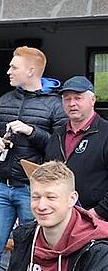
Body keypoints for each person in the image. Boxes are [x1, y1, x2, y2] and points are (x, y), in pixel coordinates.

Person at [0, 46, 67, 271]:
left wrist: (31, 131)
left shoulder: (54, 105)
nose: (8, 71)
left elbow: (59, 147)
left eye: (13, 67)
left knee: (30, 252)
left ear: (31, 71)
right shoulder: (4, 100)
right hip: (1, 186)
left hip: (34, 190)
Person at [45, 76, 108, 220]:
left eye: (78, 98)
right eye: (67, 99)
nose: (72, 103)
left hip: (97, 220)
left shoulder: (105, 133)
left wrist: (98, 212)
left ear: (93, 100)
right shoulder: (57, 135)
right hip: (61, 217)